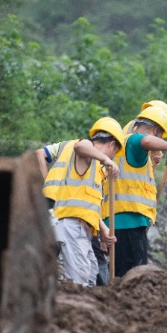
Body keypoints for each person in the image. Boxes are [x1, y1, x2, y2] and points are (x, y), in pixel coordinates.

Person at [37, 117, 123, 287]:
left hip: (81, 227)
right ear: (112, 145)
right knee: (79, 279)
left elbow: (86, 205)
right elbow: (81, 146)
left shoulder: (97, 169)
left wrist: (103, 230)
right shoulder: (87, 152)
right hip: (70, 223)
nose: (113, 158)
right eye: (114, 154)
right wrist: (106, 160)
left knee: (90, 275)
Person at [106, 105, 167, 279]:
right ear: (155, 131)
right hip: (129, 223)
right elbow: (145, 140)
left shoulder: (120, 144)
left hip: (115, 220)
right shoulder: (134, 141)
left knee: (118, 276)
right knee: (134, 279)